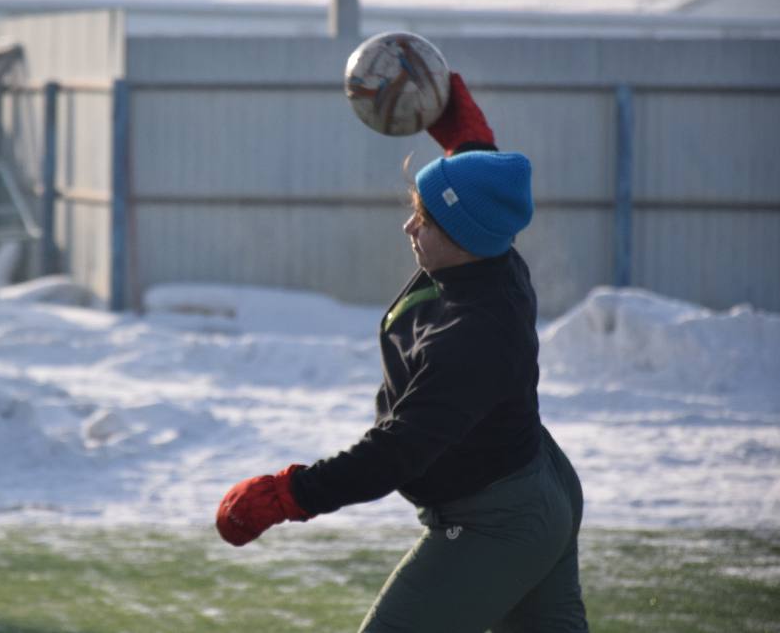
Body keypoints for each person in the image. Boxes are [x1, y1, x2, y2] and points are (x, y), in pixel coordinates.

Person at [215, 74, 589, 632]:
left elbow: (398, 451)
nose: (409, 225)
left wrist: (287, 494)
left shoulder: (473, 337)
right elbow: (480, 176)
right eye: (416, 207)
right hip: (534, 485)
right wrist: (457, 125)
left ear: (464, 236)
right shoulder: (485, 251)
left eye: (427, 220)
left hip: (500, 520)